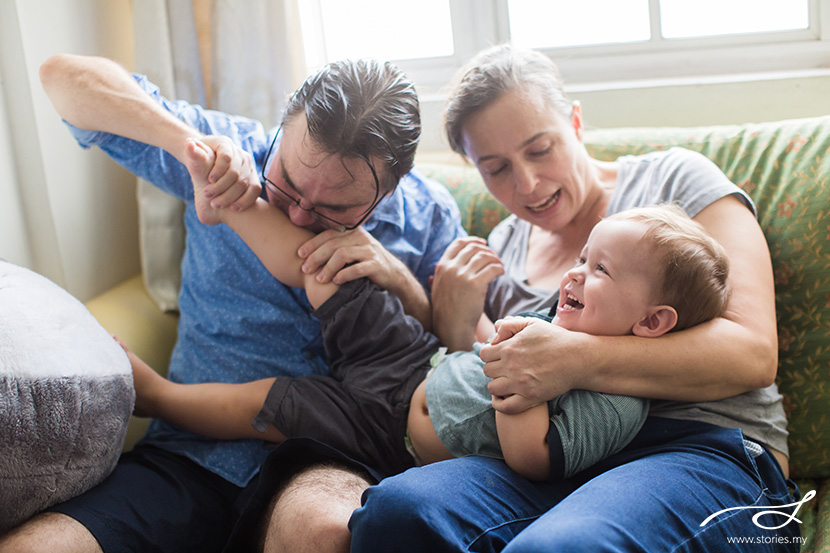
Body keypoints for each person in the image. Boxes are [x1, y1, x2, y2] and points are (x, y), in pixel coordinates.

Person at [0, 55, 464, 553]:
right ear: (284, 127)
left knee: (323, 532)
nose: (299, 213)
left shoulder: (430, 214)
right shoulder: (224, 151)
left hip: (326, 462)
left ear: (392, 188)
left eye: (334, 209)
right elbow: (62, 80)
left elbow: (447, 367)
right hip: (189, 457)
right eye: (286, 180)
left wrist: (394, 274)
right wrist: (188, 146)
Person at [347, 44, 799, 553]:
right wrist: (455, 323)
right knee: (395, 515)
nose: (528, 183)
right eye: (496, 168)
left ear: (575, 122)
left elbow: (752, 352)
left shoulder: (673, 183)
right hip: (555, 458)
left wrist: (571, 359)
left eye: (540, 150)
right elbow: (498, 383)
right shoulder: (502, 249)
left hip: (700, 445)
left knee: (561, 546)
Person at [127, 146, 730, 488]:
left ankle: (158, 396)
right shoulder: (561, 317)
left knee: (271, 406)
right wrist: (474, 325)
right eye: (581, 258)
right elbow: (482, 348)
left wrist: (527, 387)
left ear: (651, 323)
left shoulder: (620, 399)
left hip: (386, 436)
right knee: (332, 271)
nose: (574, 274)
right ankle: (229, 204)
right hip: (413, 362)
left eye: (600, 272)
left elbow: (535, 460)